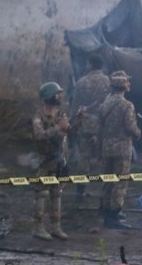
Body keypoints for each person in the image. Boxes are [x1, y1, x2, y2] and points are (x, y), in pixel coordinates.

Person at [31, 81, 81, 241]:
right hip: (46, 160)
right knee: (42, 193)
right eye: (57, 93)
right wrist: (58, 128)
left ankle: (56, 227)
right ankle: (38, 228)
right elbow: (39, 135)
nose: (60, 96)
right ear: (49, 96)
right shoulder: (39, 116)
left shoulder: (60, 114)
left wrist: (78, 121)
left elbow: (69, 132)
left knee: (57, 194)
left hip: (60, 160)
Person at [98, 71, 140, 229]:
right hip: (122, 148)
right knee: (120, 182)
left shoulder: (105, 103)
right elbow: (130, 126)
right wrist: (138, 133)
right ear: (124, 87)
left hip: (107, 147)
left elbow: (99, 126)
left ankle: (105, 209)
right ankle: (114, 215)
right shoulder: (127, 105)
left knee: (108, 180)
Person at [70, 54, 109, 200]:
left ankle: (81, 190)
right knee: (104, 156)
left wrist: (72, 123)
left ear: (91, 65)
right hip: (102, 124)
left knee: (84, 157)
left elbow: (75, 106)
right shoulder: (107, 82)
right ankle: (106, 189)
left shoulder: (81, 82)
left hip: (85, 124)